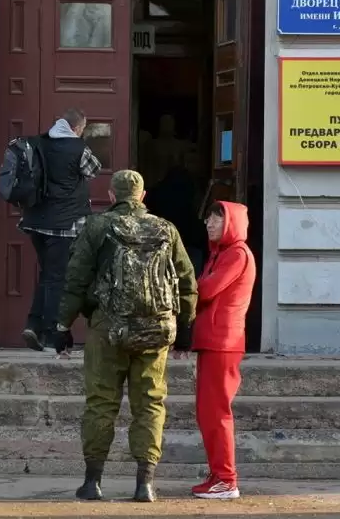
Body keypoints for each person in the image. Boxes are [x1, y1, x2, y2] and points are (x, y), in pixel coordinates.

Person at [54, 170, 197, 503]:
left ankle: (92, 482)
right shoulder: (166, 228)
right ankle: (145, 482)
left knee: (101, 403)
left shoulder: (98, 226)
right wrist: (186, 329)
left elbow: (75, 278)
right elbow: (187, 280)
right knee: (149, 403)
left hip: (108, 328)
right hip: (155, 329)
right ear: (143, 196)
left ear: (110, 193)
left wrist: (63, 326)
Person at [176, 201, 256, 500]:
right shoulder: (220, 254)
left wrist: (189, 287)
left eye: (217, 218)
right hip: (214, 341)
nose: (209, 223)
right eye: (208, 217)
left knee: (216, 413)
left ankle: (226, 479)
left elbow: (207, 291)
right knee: (208, 413)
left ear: (232, 222)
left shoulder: (236, 254)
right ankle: (218, 474)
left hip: (223, 342)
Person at [18, 108, 101, 351]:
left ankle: (33, 324)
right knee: (58, 278)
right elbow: (94, 170)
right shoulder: (77, 148)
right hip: (63, 225)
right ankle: (51, 333)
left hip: (36, 223)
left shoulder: (39, 143)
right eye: (82, 129)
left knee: (47, 274)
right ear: (77, 128)